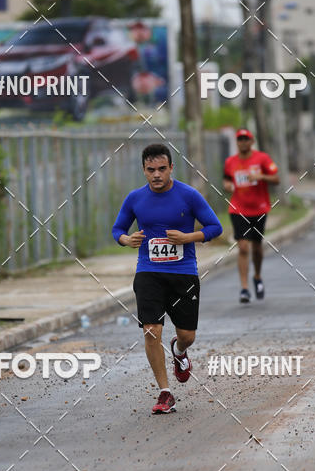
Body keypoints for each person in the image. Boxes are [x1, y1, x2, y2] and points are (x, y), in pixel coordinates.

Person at [112, 143, 222, 414]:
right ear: (143, 170)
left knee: (187, 334)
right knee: (152, 330)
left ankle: (180, 351)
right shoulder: (135, 198)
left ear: (171, 168)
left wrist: (188, 237)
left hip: (182, 273)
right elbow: (118, 229)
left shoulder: (189, 195)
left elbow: (215, 227)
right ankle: (165, 392)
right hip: (148, 271)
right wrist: (126, 239)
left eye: (162, 169)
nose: (157, 175)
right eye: (151, 170)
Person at [223, 129, 279, 303]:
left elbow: (276, 178)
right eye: (240, 139)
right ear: (237, 142)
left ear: (252, 141)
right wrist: (228, 186)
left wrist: (260, 176)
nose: (243, 142)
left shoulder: (262, 158)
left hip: (259, 208)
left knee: (256, 247)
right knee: (243, 247)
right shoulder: (230, 162)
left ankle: (257, 276)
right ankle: (245, 288)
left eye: (246, 139)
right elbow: (226, 180)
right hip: (238, 208)